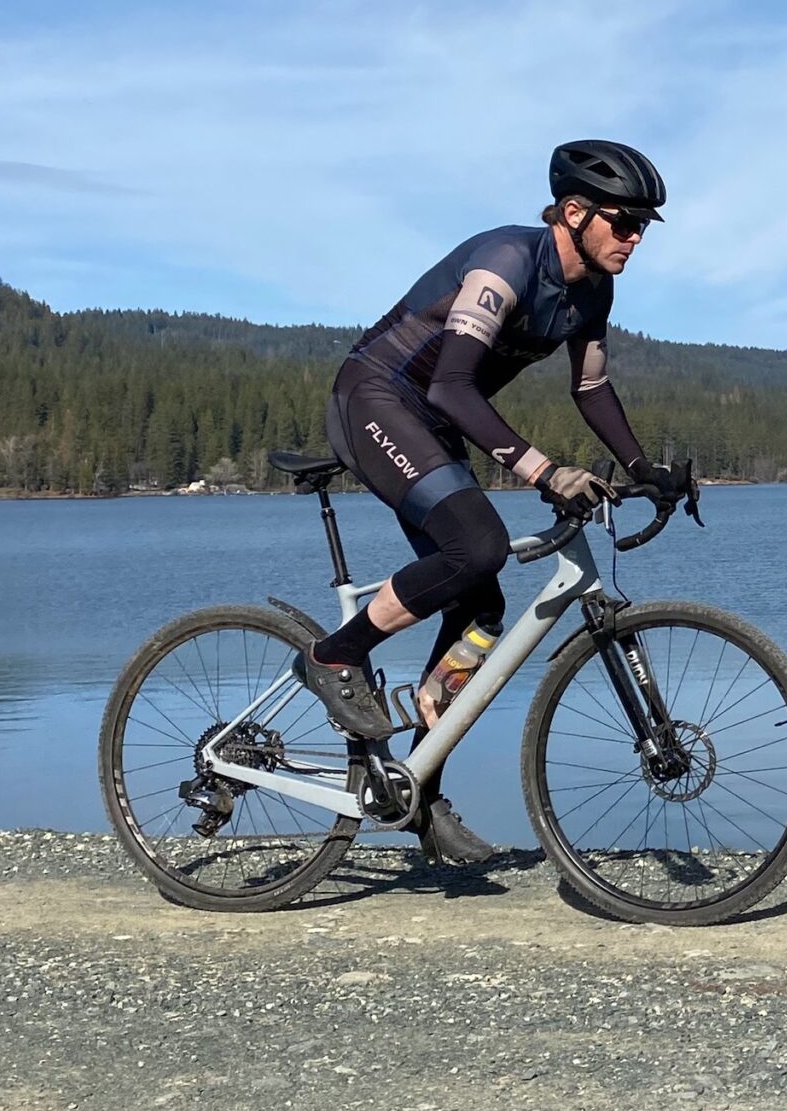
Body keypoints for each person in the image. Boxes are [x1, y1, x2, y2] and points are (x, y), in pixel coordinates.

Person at [295, 138, 692, 864]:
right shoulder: (506, 262)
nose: (635, 238)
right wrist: (544, 470)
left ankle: (417, 793)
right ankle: (333, 655)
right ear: (574, 212)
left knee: (480, 610)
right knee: (478, 547)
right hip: (379, 398)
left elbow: (592, 388)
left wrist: (644, 469)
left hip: (436, 422)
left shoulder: (594, 290)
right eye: (623, 221)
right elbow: (449, 384)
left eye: (644, 227)